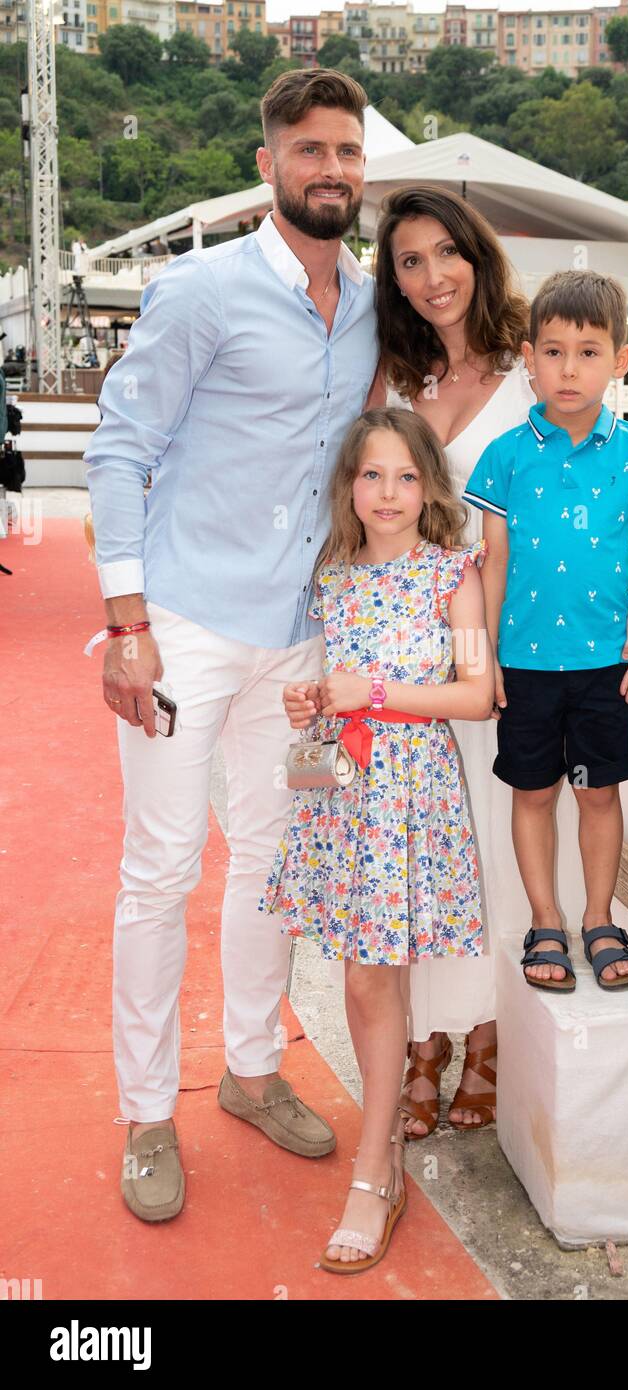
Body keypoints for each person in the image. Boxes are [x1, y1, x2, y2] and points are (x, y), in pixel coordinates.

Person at [83, 68, 378, 1222]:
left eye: (348, 152)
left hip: (298, 639)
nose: (333, 171)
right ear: (269, 164)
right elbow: (120, 446)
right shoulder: (201, 290)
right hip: (187, 626)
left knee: (269, 861)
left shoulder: (365, 306)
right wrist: (127, 625)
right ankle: (148, 1114)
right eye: (310, 151)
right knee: (160, 870)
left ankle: (252, 1071)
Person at [366, 186, 628, 1135]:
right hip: (412, 647)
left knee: (497, 830)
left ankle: (487, 1033)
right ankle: (424, 1043)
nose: (433, 274)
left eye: (447, 251)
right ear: (395, 279)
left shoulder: (542, 362)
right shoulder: (389, 380)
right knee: (419, 844)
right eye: (409, 260)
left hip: (507, 649)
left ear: (478, 256)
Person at [261, 407, 493, 1271]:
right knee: (359, 980)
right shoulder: (333, 576)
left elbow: (477, 693)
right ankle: (385, 1141)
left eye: (404, 476)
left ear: (429, 485)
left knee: (370, 975)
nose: (387, 493)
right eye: (371, 476)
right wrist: (316, 699)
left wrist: (376, 694)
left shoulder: (451, 575)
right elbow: (336, 683)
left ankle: (373, 1166)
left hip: (409, 802)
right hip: (341, 796)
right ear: (348, 487)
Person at [465, 269, 628, 990]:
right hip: (526, 667)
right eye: (552, 352)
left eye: (587, 352)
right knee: (533, 792)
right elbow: (494, 562)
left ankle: (599, 918)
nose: (568, 369)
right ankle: (547, 921)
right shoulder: (506, 455)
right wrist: (481, 660)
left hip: (608, 664)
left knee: (599, 793)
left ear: (621, 361)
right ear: (527, 356)